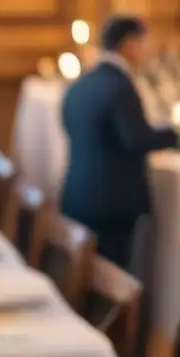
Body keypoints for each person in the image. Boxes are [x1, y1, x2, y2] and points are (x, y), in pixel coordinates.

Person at [61, 16, 178, 269]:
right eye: (142, 42)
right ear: (129, 45)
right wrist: (174, 136)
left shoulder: (81, 83)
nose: (145, 50)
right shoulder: (120, 85)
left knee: (84, 274)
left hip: (77, 195)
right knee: (111, 275)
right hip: (111, 203)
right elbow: (134, 137)